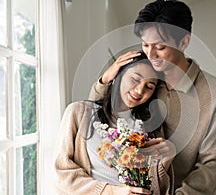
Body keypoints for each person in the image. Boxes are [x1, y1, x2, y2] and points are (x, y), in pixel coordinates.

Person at [89, 0, 216, 195]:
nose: (151, 54)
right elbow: (98, 111)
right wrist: (105, 79)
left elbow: (213, 164)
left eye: (160, 47)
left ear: (184, 42)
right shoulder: (142, 81)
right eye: (145, 45)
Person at [54, 52, 175, 195]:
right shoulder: (79, 113)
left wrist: (166, 159)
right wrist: (111, 191)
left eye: (149, 86)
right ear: (119, 75)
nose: (139, 90)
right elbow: (61, 174)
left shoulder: (150, 128)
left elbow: (158, 187)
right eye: (135, 79)